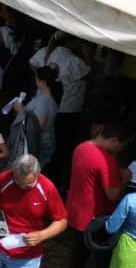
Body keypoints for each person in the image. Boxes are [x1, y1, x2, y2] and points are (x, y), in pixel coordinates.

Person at [65, 123, 126, 268]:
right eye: (120, 147)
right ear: (114, 141)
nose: (119, 151)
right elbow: (112, 194)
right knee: (102, 261)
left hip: (77, 212)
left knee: (78, 256)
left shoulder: (81, 148)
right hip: (98, 217)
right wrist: (125, 179)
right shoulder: (107, 160)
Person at [31, 34, 91, 180]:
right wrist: (84, 52)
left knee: (41, 141)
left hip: (44, 103)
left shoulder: (45, 52)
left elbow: (32, 63)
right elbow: (88, 71)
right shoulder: (75, 60)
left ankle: (37, 173)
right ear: (72, 42)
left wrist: (42, 76)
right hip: (68, 108)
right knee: (60, 146)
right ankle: (52, 177)